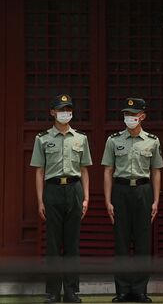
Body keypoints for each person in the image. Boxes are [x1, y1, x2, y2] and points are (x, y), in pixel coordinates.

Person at [30, 94, 92, 304]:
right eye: (61, 109)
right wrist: (40, 201)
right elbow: (39, 171)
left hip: (74, 189)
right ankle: (53, 291)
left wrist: (86, 198)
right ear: (52, 112)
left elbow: (84, 170)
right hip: (53, 190)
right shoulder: (42, 138)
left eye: (68, 109)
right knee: (54, 245)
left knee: (73, 243)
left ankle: (72, 291)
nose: (65, 113)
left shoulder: (80, 138)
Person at [102, 98, 163, 303]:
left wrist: (155, 200)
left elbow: (156, 172)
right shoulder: (113, 140)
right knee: (120, 242)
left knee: (142, 243)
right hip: (120, 190)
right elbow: (108, 171)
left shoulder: (152, 140)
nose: (129, 118)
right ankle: (122, 290)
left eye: (133, 114)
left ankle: (139, 290)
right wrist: (108, 200)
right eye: (126, 114)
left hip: (143, 192)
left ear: (142, 116)